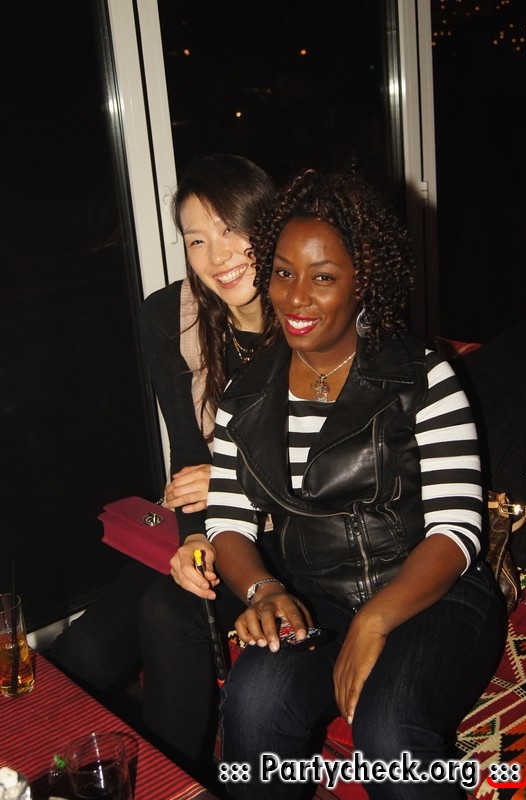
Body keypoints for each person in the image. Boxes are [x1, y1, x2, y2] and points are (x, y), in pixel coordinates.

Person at [203, 165, 508, 799]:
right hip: (314, 599)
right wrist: (263, 589)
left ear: (363, 281)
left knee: (388, 732)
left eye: (322, 277)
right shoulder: (245, 394)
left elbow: (457, 530)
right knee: (253, 703)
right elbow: (227, 520)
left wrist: (374, 621)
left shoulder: (423, 378)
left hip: (434, 594)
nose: (295, 298)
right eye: (282, 273)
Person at [48, 154, 277, 784]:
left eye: (231, 228)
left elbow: (339, 464)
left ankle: (171, 784)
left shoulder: (312, 313)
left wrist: (232, 486)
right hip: (207, 519)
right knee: (81, 653)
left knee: (167, 614)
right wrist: (194, 541)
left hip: (291, 530)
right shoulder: (169, 317)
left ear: (270, 224)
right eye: (196, 239)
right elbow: (188, 453)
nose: (218, 255)